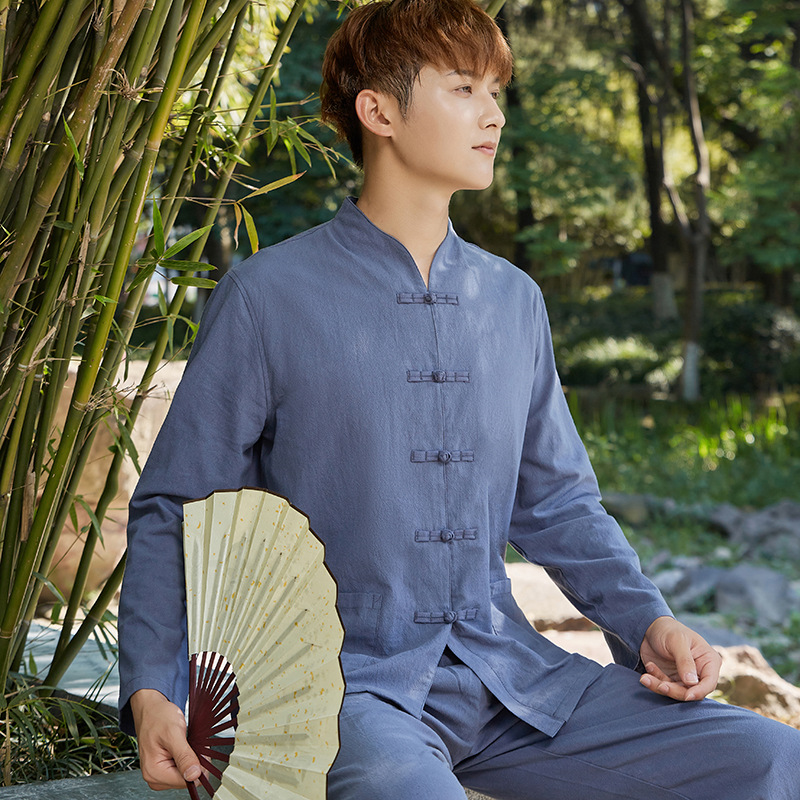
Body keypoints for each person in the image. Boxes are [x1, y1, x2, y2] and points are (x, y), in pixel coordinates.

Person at [118, 0, 800, 797]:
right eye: (464, 88)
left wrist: (648, 621)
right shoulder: (268, 297)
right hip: (345, 691)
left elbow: (559, 504)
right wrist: (152, 689)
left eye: (495, 92)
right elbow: (176, 504)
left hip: (512, 679)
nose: (495, 115)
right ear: (379, 112)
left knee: (768, 757)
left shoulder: (512, 300)